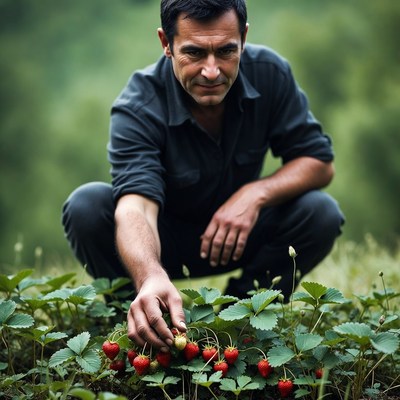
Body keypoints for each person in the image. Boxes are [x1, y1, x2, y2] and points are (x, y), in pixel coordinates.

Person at [62, 0, 344, 352]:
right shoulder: (137, 104)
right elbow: (136, 206)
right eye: (194, 53)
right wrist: (150, 274)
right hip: (160, 245)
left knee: (321, 212)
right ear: (166, 43)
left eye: (226, 51)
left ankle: (241, 320)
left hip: (238, 236)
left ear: (243, 36)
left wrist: (254, 195)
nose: (212, 71)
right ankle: (139, 318)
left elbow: (318, 161)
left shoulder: (270, 73)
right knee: (86, 205)